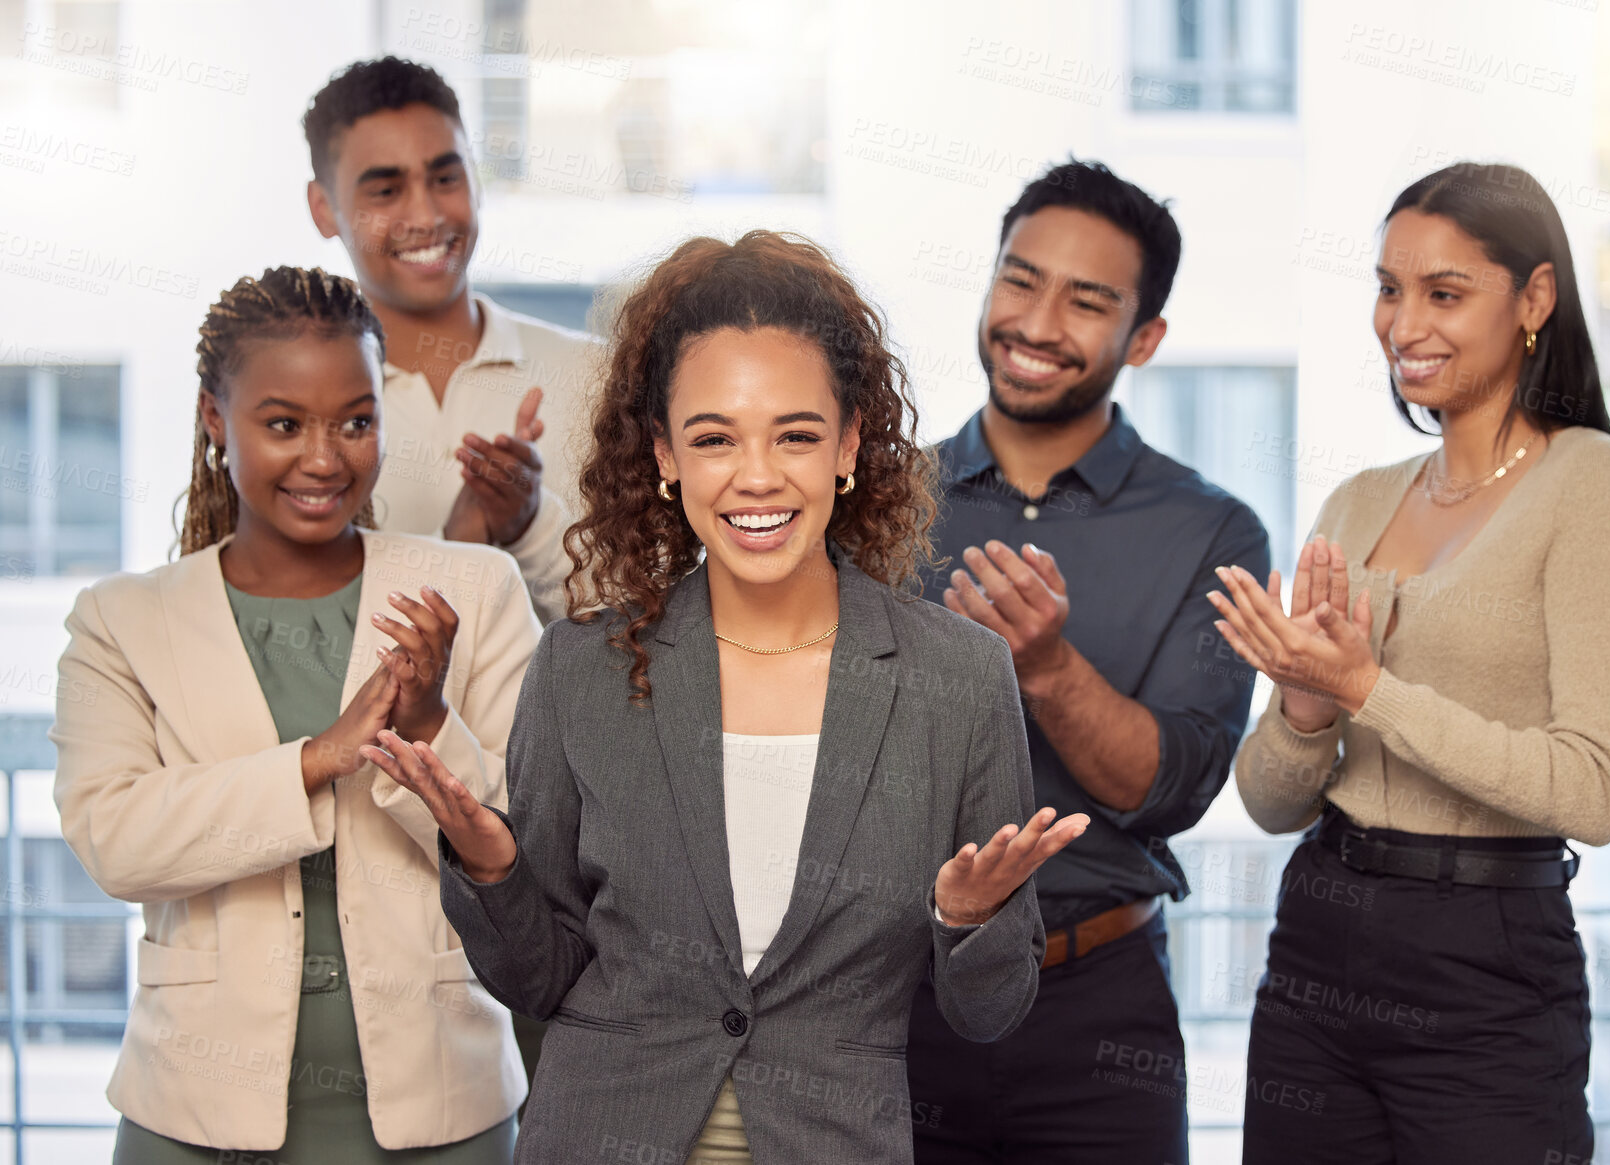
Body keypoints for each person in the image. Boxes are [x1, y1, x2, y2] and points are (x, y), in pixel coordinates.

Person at [360, 229, 1090, 1164]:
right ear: (664, 454)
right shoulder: (579, 668)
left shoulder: (959, 679)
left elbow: (989, 1013)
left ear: (851, 443)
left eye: (795, 434)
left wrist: (970, 919)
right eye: (714, 438)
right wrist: (493, 867)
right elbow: (539, 981)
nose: (756, 476)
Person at [1210, 162, 1610, 1164]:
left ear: (1534, 298)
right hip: (1317, 943)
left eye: (1444, 293)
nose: (1402, 322)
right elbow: (1271, 802)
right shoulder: (1358, 503)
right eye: (1388, 287)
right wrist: (1302, 711)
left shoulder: (1593, 486)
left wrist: (1367, 689)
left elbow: (1594, 792)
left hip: (1487, 967)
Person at [51, 267, 539, 1161]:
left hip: (442, 1112)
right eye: (284, 424)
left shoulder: (478, 587)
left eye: (356, 421)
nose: (326, 457)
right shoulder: (121, 618)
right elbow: (115, 838)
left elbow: (525, 846)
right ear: (214, 420)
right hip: (192, 1117)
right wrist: (315, 759)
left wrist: (428, 728)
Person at [905, 159, 1270, 1164]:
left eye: (1086, 301)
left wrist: (1049, 666)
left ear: (1143, 338)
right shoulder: (880, 503)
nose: (1035, 321)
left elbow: (1174, 789)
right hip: (895, 994)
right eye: (1019, 280)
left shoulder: (1214, 532)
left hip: (1100, 1013)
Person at [304, 55, 604, 625]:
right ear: (325, 209)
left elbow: (652, 628)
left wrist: (531, 526)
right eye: (386, 191)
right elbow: (295, 646)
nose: (426, 214)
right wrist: (460, 550)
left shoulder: (596, 375)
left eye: (446, 178)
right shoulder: (299, 415)